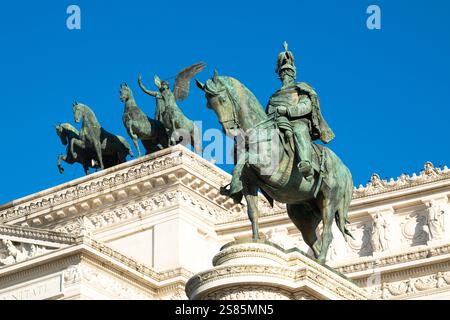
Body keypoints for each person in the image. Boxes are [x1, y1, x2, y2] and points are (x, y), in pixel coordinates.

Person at [266, 42, 334, 179]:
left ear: (293, 74)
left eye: (288, 73)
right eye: (283, 73)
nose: (286, 75)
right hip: (276, 123)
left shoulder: (301, 88)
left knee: (298, 130)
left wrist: (287, 110)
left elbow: (306, 106)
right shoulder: (274, 96)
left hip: (297, 121)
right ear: (279, 76)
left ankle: (305, 163)